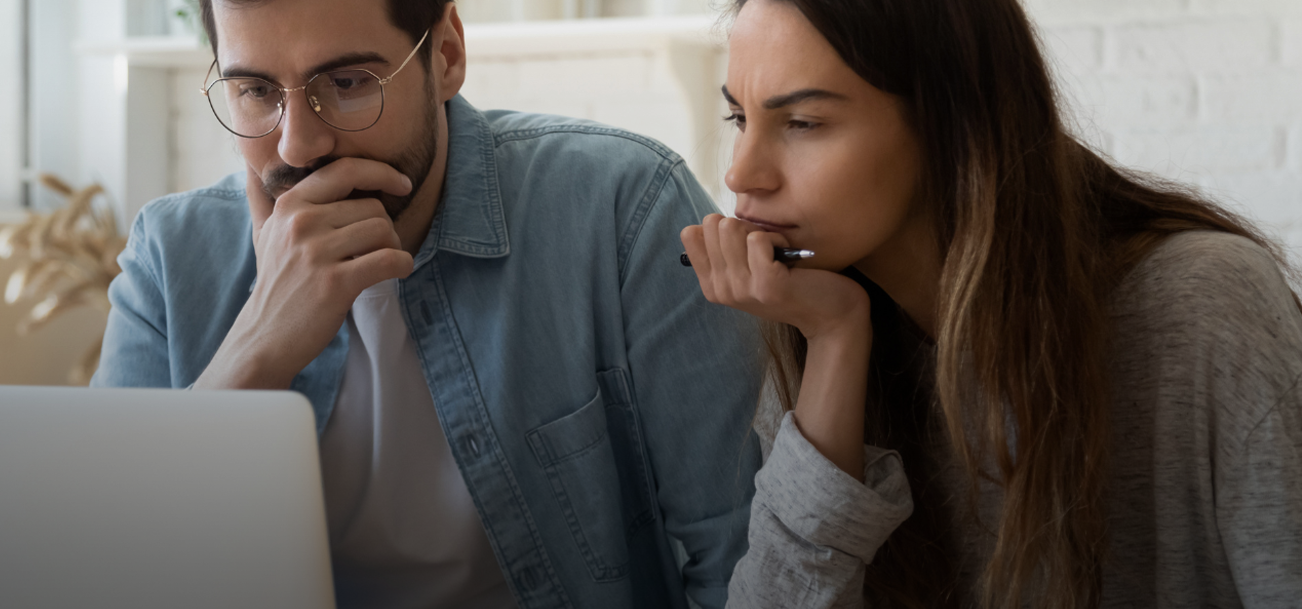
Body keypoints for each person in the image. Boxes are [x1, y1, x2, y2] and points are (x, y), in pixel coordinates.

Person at [90, 0, 768, 607]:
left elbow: (744, 562)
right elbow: (104, 572)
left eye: (349, 83)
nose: (298, 143)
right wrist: (259, 344)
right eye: (256, 91)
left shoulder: (625, 208)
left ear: (446, 55)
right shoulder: (169, 257)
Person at [680, 0, 1302, 607]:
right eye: (739, 119)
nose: (742, 174)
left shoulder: (1205, 307)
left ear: (953, 123)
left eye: (803, 123)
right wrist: (835, 340)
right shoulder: (812, 317)